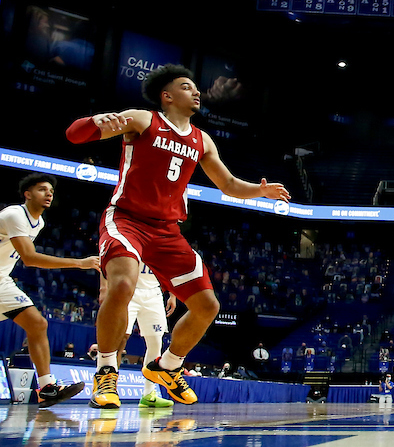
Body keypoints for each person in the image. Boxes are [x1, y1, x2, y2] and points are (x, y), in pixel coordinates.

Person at [66, 64, 291, 408]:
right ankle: (106, 372)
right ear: (167, 96)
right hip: (127, 219)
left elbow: (229, 185)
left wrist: (260, 192)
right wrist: (95, 121)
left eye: (196, 87)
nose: (196, 91)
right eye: (187, 87)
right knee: (122, 285)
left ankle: (168, 366)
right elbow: (74, 135)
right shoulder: (142, 119)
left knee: (207, 306)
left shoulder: (202, 140)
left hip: (167, 230)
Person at [0, 174, 96, 406]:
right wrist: (79, 263)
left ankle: (47, 388)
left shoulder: (39, 222)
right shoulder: (15, 214)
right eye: (42, 189)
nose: (49, 193)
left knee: (37, 324)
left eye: (51, 191)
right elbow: (29, 258)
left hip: (2, 278)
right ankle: (47, 387)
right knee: (38, 323)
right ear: (27, 194)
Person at [112, 263, 176, 409]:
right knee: (120, 339)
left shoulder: (163, 247)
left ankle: (148, 394)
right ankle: (109, 389)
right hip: (129, 288)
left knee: (156, 343)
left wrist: (172, 294)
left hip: (154, 293)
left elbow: (170, 266)